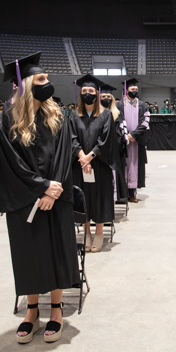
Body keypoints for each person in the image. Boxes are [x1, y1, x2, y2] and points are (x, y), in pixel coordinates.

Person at [0, 53, 78, 344]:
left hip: (56, 197)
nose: (47, 83)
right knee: (28, 253)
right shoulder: (4, 120)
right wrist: (39, 188)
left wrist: (55, 188)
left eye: (47, 79)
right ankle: (31, 312)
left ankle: (56, 310)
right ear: (25, 85)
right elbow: (8, 163)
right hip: (24, 199)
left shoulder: (58, 116)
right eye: (41, 79)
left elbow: (65, 156)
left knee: (55, 252)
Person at [69, 74, 119, 252]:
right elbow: (72, 139)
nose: (87, 93)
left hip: (99, 164)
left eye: (91, 91)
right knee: (83, 198)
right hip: (80, 165)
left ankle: (98, 233)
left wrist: (90, 156)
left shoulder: (106, 115)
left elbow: (106, 140)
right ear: (80, 94)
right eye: (84, 91)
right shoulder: (74, 116)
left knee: (99, 198)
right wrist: (82, 157)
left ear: (96, 93)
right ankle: (86, 233)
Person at [117, 78, 149, 203]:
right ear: (126, 90)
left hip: (137, 141)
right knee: (123, 165)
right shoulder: (119, 105)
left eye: (136, 89)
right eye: (132, 89)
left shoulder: (143, 105)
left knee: (134, 166)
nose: (135, 91)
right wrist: (125, 135)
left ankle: (132, 193)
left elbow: (145, 122)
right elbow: (118, 121)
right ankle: (122, 193)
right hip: (123, 142)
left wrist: (134, 134)